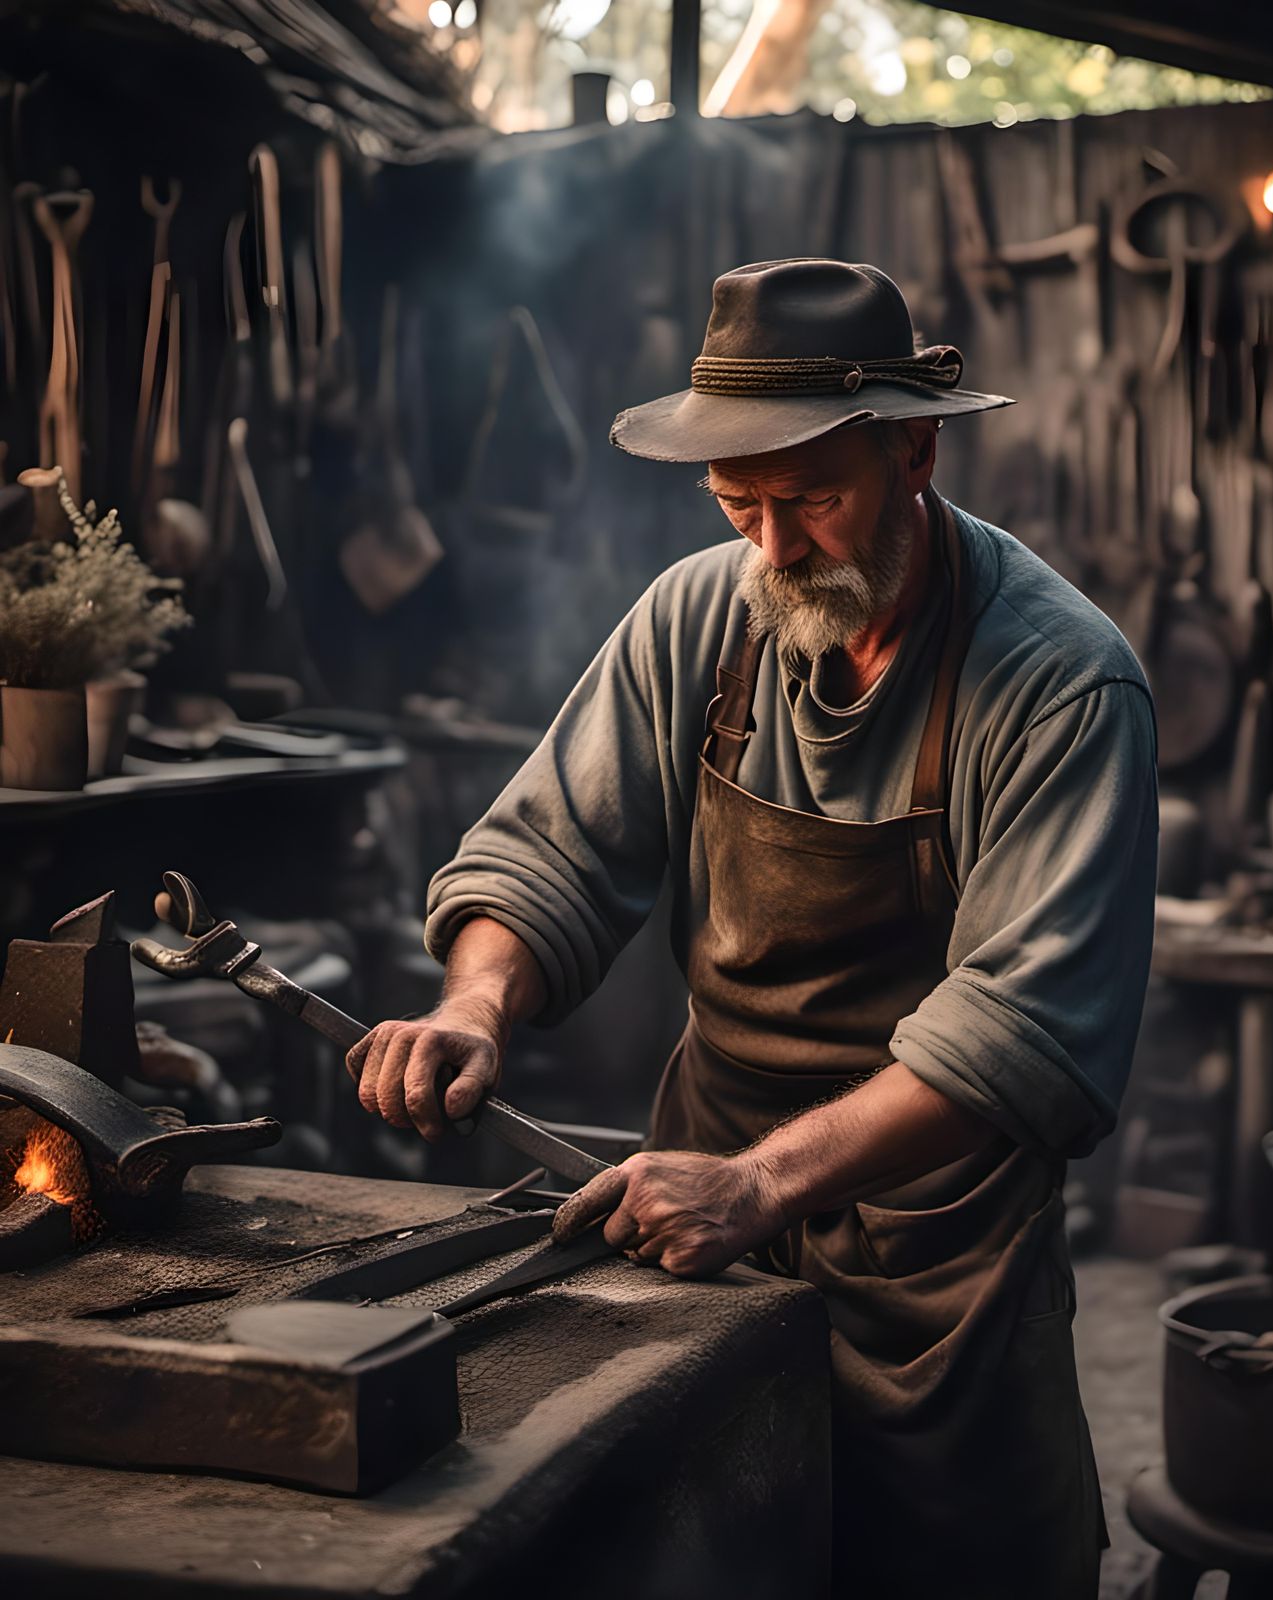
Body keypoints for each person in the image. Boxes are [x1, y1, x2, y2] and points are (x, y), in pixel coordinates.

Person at [348, 258, 1158, 1597]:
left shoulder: (1060, 682)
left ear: (914, 447)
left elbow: (1026, 1036)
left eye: (813, 501)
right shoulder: (700, 616)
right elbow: (550, 844)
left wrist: (764, 1182)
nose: (775, 550)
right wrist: (473, 1001)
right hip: (696, 1221)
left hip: (937, 1265)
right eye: (741, 506)